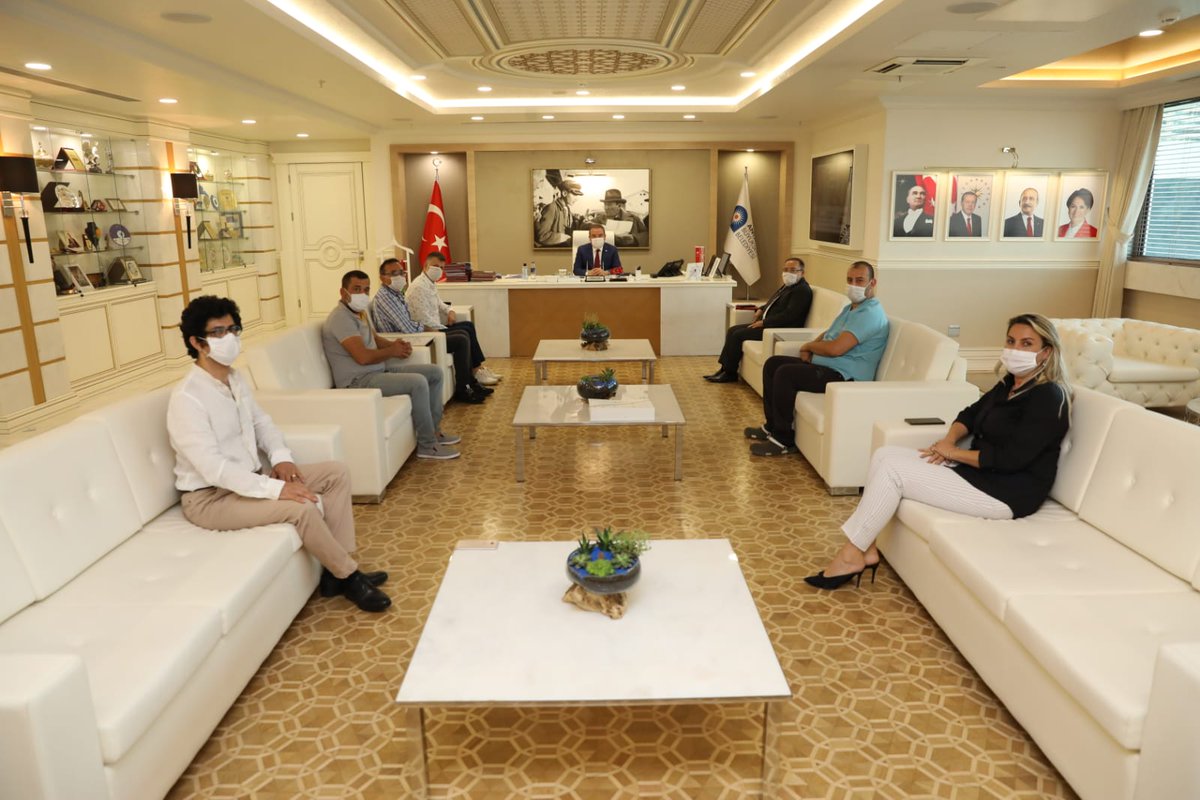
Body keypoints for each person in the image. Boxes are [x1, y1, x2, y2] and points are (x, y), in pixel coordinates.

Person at [806, 313, 1072, 590]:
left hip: (1006, 493)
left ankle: (851, 554)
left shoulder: (1048, 397)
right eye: (1011, 341)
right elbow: (969, 414)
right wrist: (948, 441)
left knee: (893, 471)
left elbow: (1009, 459)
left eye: (1027, 344)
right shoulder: (1010, 384)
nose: (1015, 349)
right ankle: (868, 548)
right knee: (885, 455)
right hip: (978, 475)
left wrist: (953, 453)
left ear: (1046, 352)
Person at [167, 295, 392, 612]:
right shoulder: (187, 398)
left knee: (336, 473)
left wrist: (281, 458)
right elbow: (213, 468)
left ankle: (335, 572)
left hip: (250, 479)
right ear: (197, 342)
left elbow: (262, 423)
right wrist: (277, 489)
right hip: (211, 499)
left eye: (233, 329)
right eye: (218, 332)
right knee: (301, 508)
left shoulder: (234, 379)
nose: (229, 338)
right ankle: (350, 577)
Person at [746, 262, 889, 456]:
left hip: (845, 376)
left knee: (786, 374)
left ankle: (783, 440)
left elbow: (836, 349)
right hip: (827, 365)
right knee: (773, 364)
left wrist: (808, 346)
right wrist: (814, 344)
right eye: (850, 280)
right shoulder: (851, 308)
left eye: (860, 280)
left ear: (872, 283)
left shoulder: (870, 314)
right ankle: (771, 427)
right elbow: (829, 333)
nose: (853, 285)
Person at [322, 270, 460, 460]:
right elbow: (362, 357)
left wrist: (396, 345)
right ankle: (427, 445)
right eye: (356, 289)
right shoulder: (341, 319)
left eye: (366, 289)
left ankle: (434, 432)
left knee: (434, 372)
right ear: (343, 292)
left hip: (378, 370)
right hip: (358, 381)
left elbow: (375, 339)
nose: (362, 294)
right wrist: (392, 351)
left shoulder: (359, 312)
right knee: (418, 382)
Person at [371, 258, 493, 404]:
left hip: (417, 333)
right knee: (461, 339)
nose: (400, 276)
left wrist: (443, 316)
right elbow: (407, 327)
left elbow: (423, 314)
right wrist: (429, 328)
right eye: (394, 273)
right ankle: (464, 388)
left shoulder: (395, 294)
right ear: (382, 278)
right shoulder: (386, 298)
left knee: (465, 331)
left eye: (402, 272)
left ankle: (471, 382)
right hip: (407, 339)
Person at [705, 257, 813, 383]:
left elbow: (789, 315)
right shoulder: (789, 286)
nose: (788, 273)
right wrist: (761, 309)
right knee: (732, 330)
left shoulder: (802, 290)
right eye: (785, 270)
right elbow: (773, 302)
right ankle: (724, 369)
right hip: (769, 325)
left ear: (802, 272)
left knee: (738, 335)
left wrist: (764, 322)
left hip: (779, 330)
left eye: (793, 270)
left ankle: (730, 373)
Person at [405, 252, 500, 386]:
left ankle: (478, 369)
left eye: (442, 268)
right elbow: (423, 319)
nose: (439, 270)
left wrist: (450, 311)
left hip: (437, 327)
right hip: (430, 332)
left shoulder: (429, 283)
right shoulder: (418, 287)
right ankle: (474, 373)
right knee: (464, 334)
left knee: (468, 326)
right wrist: (443, 328)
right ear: (425, 266)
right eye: (435, 266)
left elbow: (440, 304)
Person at [534, 171, 583, 247]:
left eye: (578, 196)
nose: (576, 199)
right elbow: (542, 236)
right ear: (564, 193)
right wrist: (564, 237)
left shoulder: (567, 209)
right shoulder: (552, 208)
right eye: (574, 195)